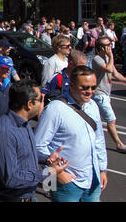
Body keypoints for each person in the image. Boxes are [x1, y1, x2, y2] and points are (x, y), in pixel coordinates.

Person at [0, 80, 68, 202]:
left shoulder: (25, 124)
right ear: (30, 104)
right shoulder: (4, 132)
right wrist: (48, 173)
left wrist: (47, 158)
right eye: (40, 100)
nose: (42, 104)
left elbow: (25, 153)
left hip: (27, 197)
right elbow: (11, 178)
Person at [35, 66, 108, 202]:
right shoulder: (55, 109)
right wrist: (58, 175)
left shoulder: (93, 106)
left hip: (92, 179)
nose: (90, 92)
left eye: (93, 87)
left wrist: (102, 169)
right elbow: (37, 146)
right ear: (72, 85)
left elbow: (99, 140)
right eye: (85, 87)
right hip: (66, 183)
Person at [91, 37, 126, 154]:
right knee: (111, 120)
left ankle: (91, 140)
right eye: (108, 45)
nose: (110, 47)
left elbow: (115, 74)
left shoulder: (106, 58)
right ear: (101, 47)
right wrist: (111, 56)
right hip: (99, 94)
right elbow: (109, 70)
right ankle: (119, 144)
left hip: (105, 94)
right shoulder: (97, 59)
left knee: (95, 120)